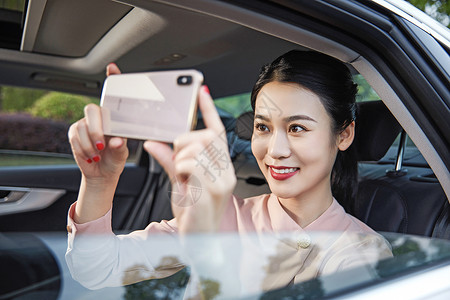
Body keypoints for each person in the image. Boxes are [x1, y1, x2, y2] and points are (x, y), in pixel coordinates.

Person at [66, 50, 392, 297]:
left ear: (344, 135)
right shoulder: (226, 214)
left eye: (296, 128)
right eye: (263, 127)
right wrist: (99, 182)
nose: (274, 149)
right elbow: (96, 269)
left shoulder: (361, 250)